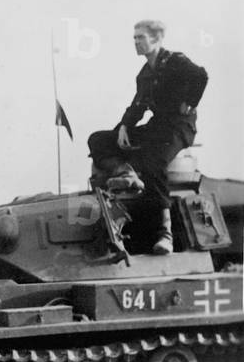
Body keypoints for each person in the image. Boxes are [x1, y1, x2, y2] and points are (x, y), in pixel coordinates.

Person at [87, 20, 208, 255]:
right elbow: (137, 105)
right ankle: (126, 172)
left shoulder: (175, 61)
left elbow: (201, 76)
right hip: (156, 127)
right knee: (98, 139)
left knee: (154, 161)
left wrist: (190, 102)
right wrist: (124, 126)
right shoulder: (144, 74)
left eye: (140, 37)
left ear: (156, 38)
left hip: (178, 127)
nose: (135, 42)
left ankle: (165, 234)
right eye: (134, 38)